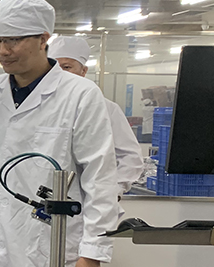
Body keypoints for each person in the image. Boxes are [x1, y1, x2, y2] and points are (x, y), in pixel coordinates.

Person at [0, 0, 118, 267]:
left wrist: (92, 255)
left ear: (43, 39)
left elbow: (101, 179)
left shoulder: (79, 95)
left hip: (47, 245)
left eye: (13, 40)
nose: (3, 51)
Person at [47, 37, 145, 200]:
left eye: (67, 67)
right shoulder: (38, 106)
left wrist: (113, 191)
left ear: (83, 71)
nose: (60, 73)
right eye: (54, 67)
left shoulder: (107, 108)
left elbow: (130, 157)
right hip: (42, 200)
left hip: (87, 202)